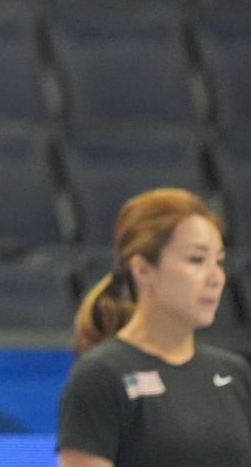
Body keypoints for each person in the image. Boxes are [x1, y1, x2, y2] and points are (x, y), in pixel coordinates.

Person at [58, 187, 251, 467]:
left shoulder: (235, 375)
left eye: (219, 261)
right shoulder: (100, 377)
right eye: (196, 259)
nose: (216, 277)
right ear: (143, 270)